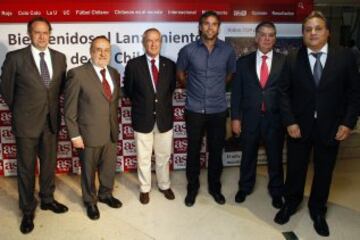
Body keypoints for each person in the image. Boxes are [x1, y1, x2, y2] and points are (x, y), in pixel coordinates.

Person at [274, 11, 360, 237]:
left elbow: (354, 93)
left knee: (324, 171)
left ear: (327, 32)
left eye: (318, 28)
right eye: (308, 29)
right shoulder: (292, 57)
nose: (313, 33)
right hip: (298, 128)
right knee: (295, 169)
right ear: (303, 34)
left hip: (331, 127)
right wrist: (289, 121)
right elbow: (283, 93)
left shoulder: (345, 56)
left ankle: (317, 210)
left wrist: (348, 123)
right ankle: (291, 203)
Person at [0, 16, 68, 234]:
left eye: (45, 32)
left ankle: (47, 199)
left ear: (50, 34)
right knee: (27, 169)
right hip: (26, 123)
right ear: (29, 34)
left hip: (51, 123)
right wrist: (23, 111)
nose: (41, 36)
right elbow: (7, 92)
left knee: (48, 165)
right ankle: (28, 209)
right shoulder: (15, 58)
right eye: (37, 32)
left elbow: (58, 91)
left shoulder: (60, 58)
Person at [177, 10, 236, 207]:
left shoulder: (228, 51)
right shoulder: (188, 50)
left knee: (216, 151)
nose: (210, 27)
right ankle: (192, 189)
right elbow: (180, 73)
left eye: (214, 24)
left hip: (218, 110)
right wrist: (192, 88)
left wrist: (216, 88)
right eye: (206, 23)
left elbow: (229, 75)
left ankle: (214, 188)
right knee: (193, 151)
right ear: (200, 27)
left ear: (219, 28)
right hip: (193, 109)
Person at [64, 35, 122, 220]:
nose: (103, 53)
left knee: (108, 168)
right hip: (88, 134)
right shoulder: (77, 74)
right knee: (88, 171)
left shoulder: (114, 73)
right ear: (91, 52)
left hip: (110, 132)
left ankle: (106, 194)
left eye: (106, 50)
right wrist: (75, 135)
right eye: (99, 49)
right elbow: (70, 109)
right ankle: (90, 201)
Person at [231, 21, 285, 208]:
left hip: (275, 120)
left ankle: (277, 191)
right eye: (263, 34)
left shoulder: (284, 62)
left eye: (271, 35)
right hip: (250, 119)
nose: (267, 38)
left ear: (275, 38)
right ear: (256, 38)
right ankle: (244, 187)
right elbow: (236, 93)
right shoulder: (243, 62)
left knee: (275, 158)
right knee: (248, 155)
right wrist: (236, 118)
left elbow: (288, 93)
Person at [124, 28, 176, 204]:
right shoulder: (133, 65)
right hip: (142, 118)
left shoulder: (169, 65)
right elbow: (130, 91)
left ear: (161, 42)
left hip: (164, 119)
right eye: (149, 40)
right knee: (143, 157)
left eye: (157, 40)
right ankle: (145, 188)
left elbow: (169, 90)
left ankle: (164, 185)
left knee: (163, 156)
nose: (153, 44)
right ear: (143, 42)